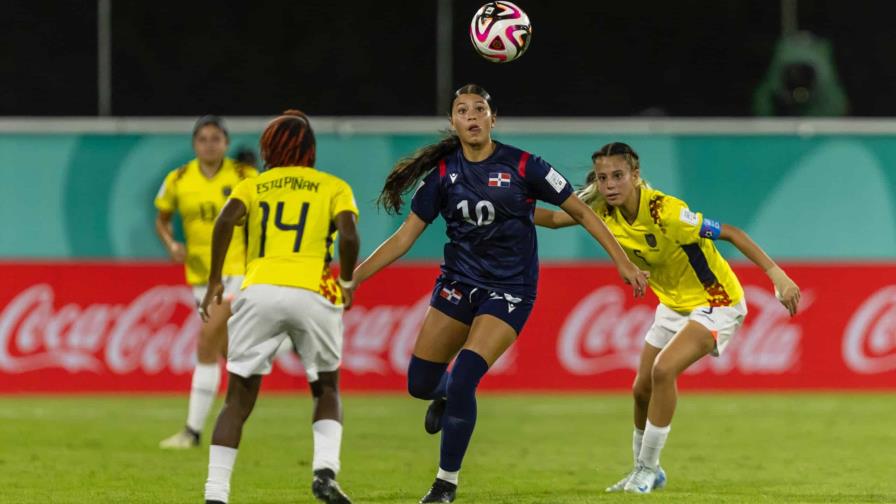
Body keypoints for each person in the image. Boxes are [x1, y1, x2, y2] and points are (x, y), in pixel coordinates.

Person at [351, 84, 648, 503]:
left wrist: (622, 260)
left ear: (494, 119)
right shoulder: (442, 176)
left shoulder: (525, 165)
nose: (471, 116)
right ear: (453, 122)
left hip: (510, 290)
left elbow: (578, 211)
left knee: (465, 381)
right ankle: (444, 392)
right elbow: (403, 240)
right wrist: (355, 279)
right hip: (458, 284)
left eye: (479, 109)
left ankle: (444, 484)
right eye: (462, 110)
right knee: (420, 384)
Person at [534, 142, 801, 494]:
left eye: (618, 176)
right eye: (602, 178)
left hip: (716, 300)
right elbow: (552, 219)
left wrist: (777, 275)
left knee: (664, 370)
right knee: (641, 389)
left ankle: (647, 469)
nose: (610, 184)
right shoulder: (599, 207)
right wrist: (500, 205)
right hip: (673, 305)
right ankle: (644, 471)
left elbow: (732, 233)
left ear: (635, 175)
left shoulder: (666, 212)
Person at [200, 110, 359, 504]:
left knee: (237, 400)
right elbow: (350, 235)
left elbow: (224, 221)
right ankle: (324, 473)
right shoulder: (333, 185)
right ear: (311, 150)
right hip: (314, 288)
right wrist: (347, 280)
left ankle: (215, 494)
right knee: (326, 387)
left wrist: (215, 279)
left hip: (259, 289)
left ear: (267, 148)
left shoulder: (253, 185)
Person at [154, 115, 257, 449]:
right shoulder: (178, 179)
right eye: (203, 139)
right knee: (234, 353)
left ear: (226, 143)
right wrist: (172, 244)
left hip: (237, 272)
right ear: (194, 144)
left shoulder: (244, 176)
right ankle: (281, 344)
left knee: (205, 343)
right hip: (201, 275)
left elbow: (263, 218)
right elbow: (162, 220)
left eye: (216, 138)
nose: (209, 144)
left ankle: (192, 431)